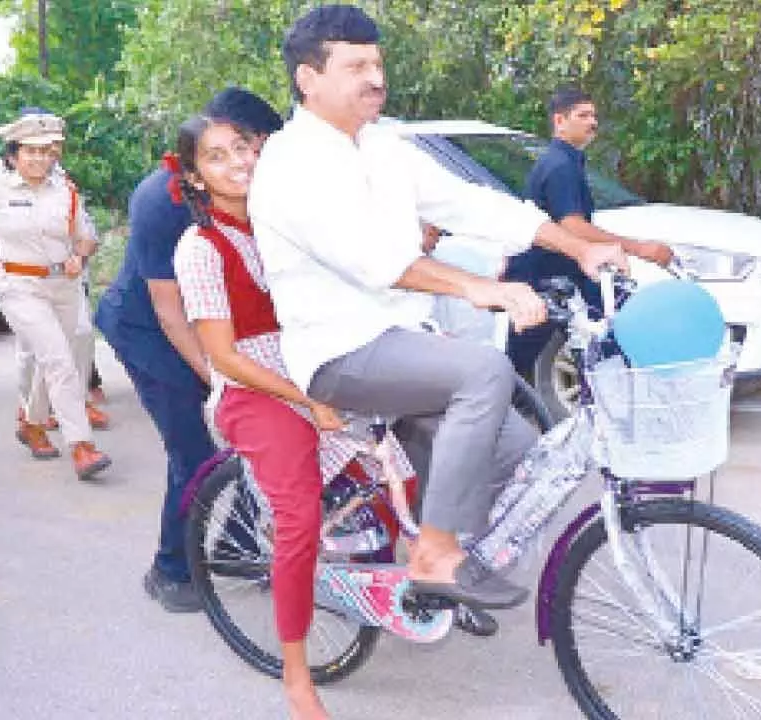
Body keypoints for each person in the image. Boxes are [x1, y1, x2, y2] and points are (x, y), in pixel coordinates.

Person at [249, 6, 626, 609]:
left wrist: (578, 246)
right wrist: (480, 289)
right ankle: (434, 553)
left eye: (377, 62)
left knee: (517, 456)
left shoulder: (383, 146)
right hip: (339, 351)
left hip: (404, 337)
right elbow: (372, 260)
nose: (375, 77)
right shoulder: (289, 165)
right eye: (356, 66)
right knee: (484, 372)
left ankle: (435, 558)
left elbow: (471, 205)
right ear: (308, 79)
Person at [173, 115, 372, 720]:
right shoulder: (199, 247)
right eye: (216, 156)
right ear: (195, 177)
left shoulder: (282, 222)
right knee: (298, 515)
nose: (236, 162)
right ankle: (295, 676)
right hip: (252, 388)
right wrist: (306, 400)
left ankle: (412, 576)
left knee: (398, 459)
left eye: (242, 147)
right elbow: (224, 355)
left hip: (314, 365)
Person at [94, 88, 284, 614]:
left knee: (259, 432)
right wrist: (219, 375)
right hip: (148, 331)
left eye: (253, 148)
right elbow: (168, 308)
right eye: (245, 146)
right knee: (195, 450)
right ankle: (170, 569)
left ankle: (234, 546)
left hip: (215, 319)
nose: (250, 159)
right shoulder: (162, 199)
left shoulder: (259, 188)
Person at [0, 112, 112, 478]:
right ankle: (82, 445)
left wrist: (80, 255)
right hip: (19, 286)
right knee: (58, 359)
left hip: (62, 284)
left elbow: (86, 234)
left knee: (60, 353)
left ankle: (31, 423)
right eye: (31, 151)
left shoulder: (66, 191)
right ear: (13, 155)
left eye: (47, 151)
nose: (40, 159)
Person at [503, 86, 673, 374]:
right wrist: (640, 249)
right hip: (545, 273)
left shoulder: (567, 161)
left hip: (559, 272)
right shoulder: (559, 166)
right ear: (560, 121)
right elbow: (573, 226)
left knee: (604, 326)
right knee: (527, 358)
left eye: (593, 115)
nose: (592, 123)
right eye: (582, 116)